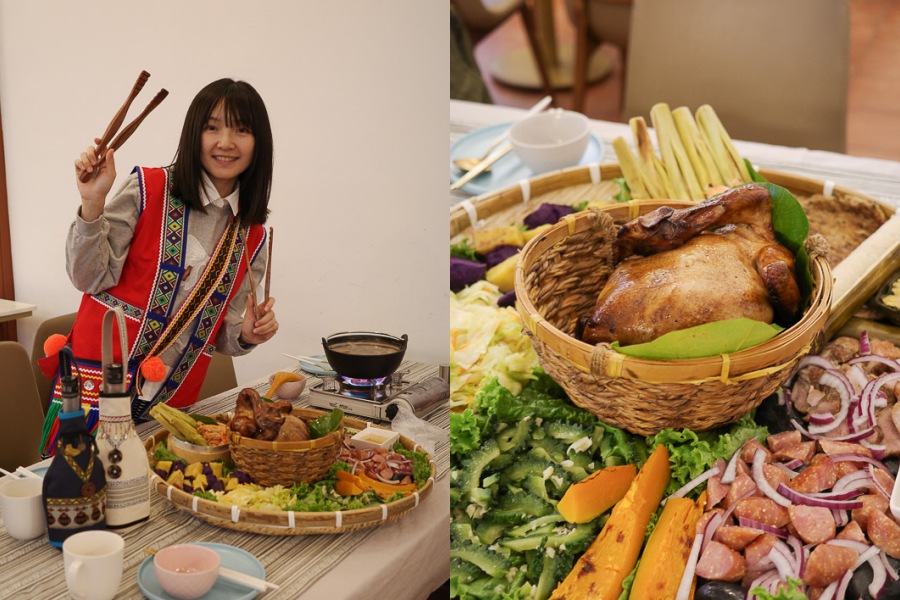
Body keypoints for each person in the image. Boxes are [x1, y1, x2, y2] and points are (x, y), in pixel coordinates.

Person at [39, 78, 279, 456]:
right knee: (81, 497)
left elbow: (226, 335)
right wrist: (92, 203)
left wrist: (247, 333)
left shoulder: (252, 236)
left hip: (172, 405)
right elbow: (88, 278)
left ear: (258, 143)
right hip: (96, 393)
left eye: (242, 130)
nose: (226, 142)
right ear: (193, 134)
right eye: (212, 127)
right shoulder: (148, 188)